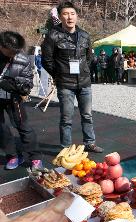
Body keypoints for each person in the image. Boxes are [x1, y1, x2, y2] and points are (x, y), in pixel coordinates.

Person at [41, 1, 103, 153]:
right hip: (65, 83)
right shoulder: (52, 36)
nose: (70, 17)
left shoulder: (85, 35)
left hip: (84, 82)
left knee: (87, 115)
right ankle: (66, 147)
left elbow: (88, 58)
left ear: (77, 16)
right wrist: (58, 75)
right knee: (66, 118)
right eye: (66, 14)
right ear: (60, 17)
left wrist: (85, 71)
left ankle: (90, 142)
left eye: (72, 13)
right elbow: (46, 60)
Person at [0, 31, 42, 169]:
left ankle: (34, 157)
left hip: (14, 98)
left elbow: (27, 84)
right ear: (2, 46)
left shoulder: (23, 59)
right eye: (11, 51)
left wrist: (14, 85)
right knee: (1, 128)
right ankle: (12, 156)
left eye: (16, 51)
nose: (14, 54)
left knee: (23, 126)